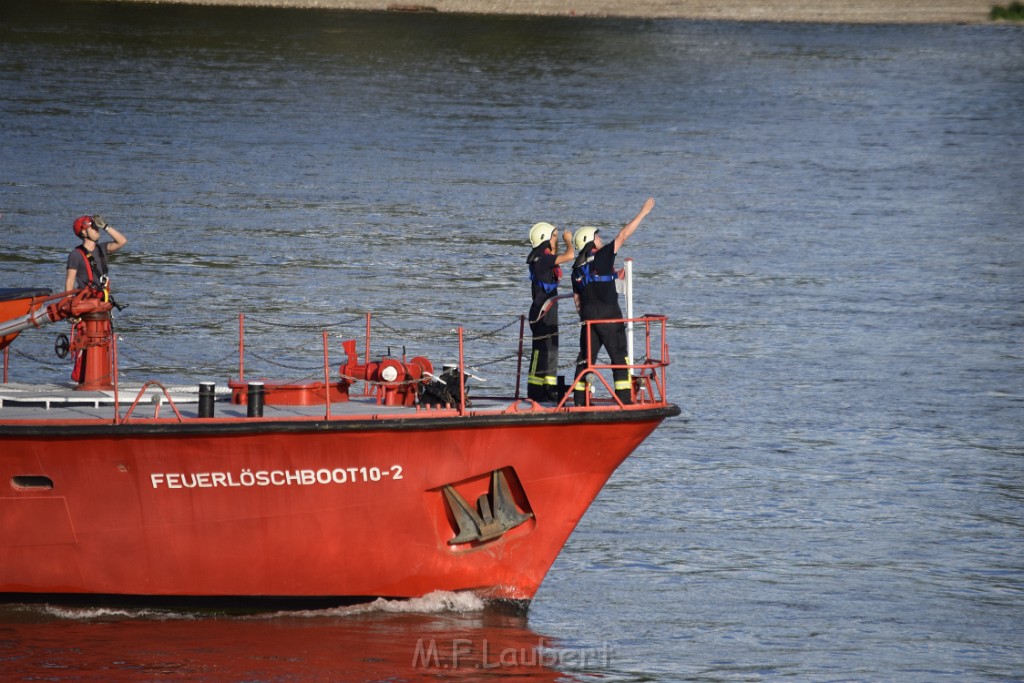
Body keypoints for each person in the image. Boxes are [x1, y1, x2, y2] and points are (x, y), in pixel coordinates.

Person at [571, 197, 655, 406]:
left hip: (589, 319)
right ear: (590, 242)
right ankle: (624, 399)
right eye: (597, 237)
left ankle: (580, 400)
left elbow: (577, 299)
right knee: (619, 357)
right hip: (609, 315)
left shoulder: (576, 269)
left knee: (585, 359)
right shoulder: (603, 256)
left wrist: (584, 317)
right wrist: (642, 213)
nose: (600, 239)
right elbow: (623, 235)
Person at [526, 221, 574, 402]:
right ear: (545, 238)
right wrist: (569, 241)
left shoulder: (543, 257)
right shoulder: (543, 259)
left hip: (549, 309)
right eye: (554, 236)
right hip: (542, 312)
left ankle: (548, 388)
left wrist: (557, 242)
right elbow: (569, 255)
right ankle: (535, 390)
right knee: (541, 351)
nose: (557, 239)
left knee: (550, 349)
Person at [65, 214, 127, 295]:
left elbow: (122, 241)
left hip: (102, 300)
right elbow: (69, 283)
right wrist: (69, 302)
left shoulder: (102, 248)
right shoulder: (76, 254)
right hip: (85, 300)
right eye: (93, 227)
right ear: (84, 232)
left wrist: (105, 226)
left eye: (97, 227)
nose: (97, 229)